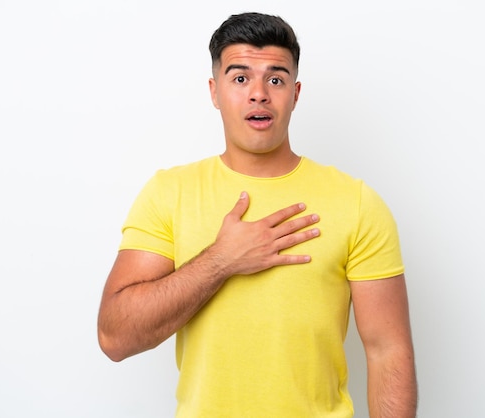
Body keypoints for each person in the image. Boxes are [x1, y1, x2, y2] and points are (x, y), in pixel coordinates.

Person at [97, 12, 417, 418]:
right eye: (240, 78)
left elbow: (388, 351)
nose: (259, 94)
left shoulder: (356, 202)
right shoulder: (169, 193)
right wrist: (221, 260)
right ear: (214, 91)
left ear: (296, 93)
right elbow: (115, 336)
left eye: (276, 79)